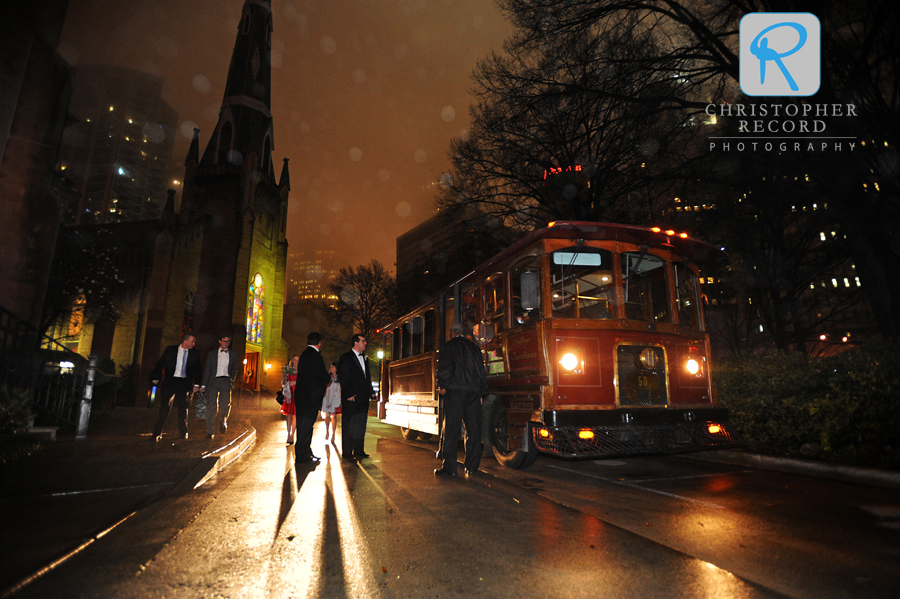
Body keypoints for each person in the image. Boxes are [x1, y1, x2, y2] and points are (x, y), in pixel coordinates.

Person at [434, 323, 488, 477]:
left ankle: (449, 468)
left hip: (455, 392)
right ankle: (471, 466)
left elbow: (444, 368)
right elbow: (481, 372)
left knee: (451, 430)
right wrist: (481, 393)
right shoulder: (474, 348)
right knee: (473, 430)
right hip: (473, 392)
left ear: (452, 333)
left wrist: (442, 385)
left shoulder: (449, 346)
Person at [150, 333, 202, 441]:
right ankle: (157, 433)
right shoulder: (171, 350)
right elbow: (160, 363)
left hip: (184, 383)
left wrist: (197, 384)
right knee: (164, 408)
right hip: (170, 382)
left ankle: (184, 432)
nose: (194, 344)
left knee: (183, 409)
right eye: (192, 341)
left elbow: (198, 370)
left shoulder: (194, 353)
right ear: (185, 341)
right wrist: (155, 377)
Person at [294, 332, 330, 464]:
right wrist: (328, 377)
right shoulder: (315, 356)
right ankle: (302, 455)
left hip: (304, 396)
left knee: (306, 426)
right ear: (319, 342)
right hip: (310, 398)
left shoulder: (305, 354)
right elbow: (320, 374)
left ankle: (306, 453)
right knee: (305, 427)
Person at [338, 334, 375, 461]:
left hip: (363, 397)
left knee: (360, 424)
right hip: (351, 398)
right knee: (349, 424)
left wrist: (371, 392)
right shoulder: (345, 357)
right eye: (363, 341)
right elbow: (343, 376)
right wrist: (348, 394)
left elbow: (366, 377)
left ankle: (359, 450)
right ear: (356, 343)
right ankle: (347, 452)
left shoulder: (365, 358)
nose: (365, 343)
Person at [199, 333, 239, 439]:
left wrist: (231, 379)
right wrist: (203, 384)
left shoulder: (233, 354)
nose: (226, 343)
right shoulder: (212, 354)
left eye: (228, 342)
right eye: (224, 341)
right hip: (213, 382)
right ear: (220, 341)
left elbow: (235, 368)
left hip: (226, 381)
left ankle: (223, 421)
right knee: (212, 407)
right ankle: (210, 431)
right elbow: (207, 369)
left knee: (225, 404)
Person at [281, 354, 299, 444]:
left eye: (298, 360)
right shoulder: (288, 370)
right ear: (292, 360)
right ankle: (288, 434)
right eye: (295, 360)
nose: (296, 362)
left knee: (295, 415)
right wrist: (286, 377)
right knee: (289, 415)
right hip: (289, 394)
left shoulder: (301, 370)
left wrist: (295, 382)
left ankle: (292, 434)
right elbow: (283, 383)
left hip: (297, 394)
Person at [321, 362, 341, 443]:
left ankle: (333, 434)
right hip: (327, 397)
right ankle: (327, 431)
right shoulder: (328, 378)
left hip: (335, 398)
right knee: (327, 415)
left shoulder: (339, 379)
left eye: (333, 367)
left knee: (334, 416)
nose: (331, 368)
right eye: (331, 367)